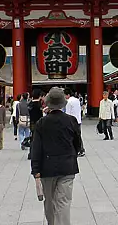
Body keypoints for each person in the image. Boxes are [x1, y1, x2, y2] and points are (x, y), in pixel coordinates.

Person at [31, 87, 83, 225]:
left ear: (47, 103)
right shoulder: (71, 121)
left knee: (50, 201)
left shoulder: (41, 123)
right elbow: (78, 143)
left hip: (47, 168)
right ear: (63, 103)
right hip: (67, 166)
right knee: (64, 202)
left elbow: (36, 148)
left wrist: (35, 169)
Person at [64, 89, 85, 157]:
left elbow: (68, 113)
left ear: (68, 95)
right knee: (78, 135)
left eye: (65, 95)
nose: (64, 97)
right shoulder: (77, 100)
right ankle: (81, 150)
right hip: (78, 120)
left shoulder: (68, 102)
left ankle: (76, 150)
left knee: (72, 136)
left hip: (72, 121)